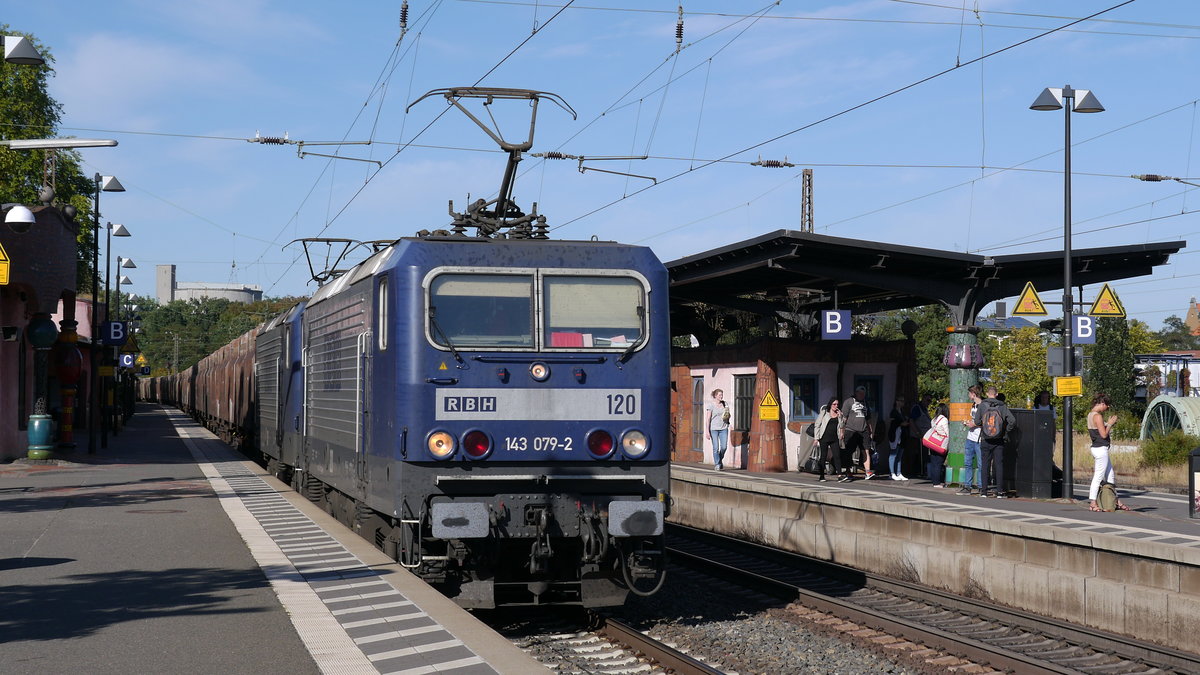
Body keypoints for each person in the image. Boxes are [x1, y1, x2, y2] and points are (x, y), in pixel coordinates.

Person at [1087, 392, 1130, 512]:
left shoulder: (1090, 415)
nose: (1108, 408)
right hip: (1101, 449)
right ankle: (1092, 502)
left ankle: (1115, 500)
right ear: (1101, 403)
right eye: (1107, 405)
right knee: (1098, 476)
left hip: (1098, 448)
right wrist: (1110, 424)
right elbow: (1103, 434)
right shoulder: (1097, 416)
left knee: (1110, 475)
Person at [974, 386, 1015, 498]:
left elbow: (976, 421)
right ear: (996, 394)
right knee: (999, 465)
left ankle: (984, 491)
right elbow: (1012, 421)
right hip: (999, 439)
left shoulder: (982, 405)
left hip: (985, 438)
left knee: (985, 465)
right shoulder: (1002, 406)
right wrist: (1005, 431)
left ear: (987, 394)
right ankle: (1000, 491)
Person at [840, 385, 875, 479]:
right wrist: (842, 431)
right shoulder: (848, 402)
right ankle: (848, 471)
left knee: (866, 451)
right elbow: (844, 418)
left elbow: (868, 418)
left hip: (863, 431)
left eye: (863, 394)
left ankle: (868, 472)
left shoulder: (865, 403)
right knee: (849, 451)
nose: (862, 395)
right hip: (850, 430)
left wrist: (870, 430)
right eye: (860, 393)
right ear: (856, 393)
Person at [810, 397, 848, 482]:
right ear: (830, 405)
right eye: (834, 404)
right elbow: (817, 425)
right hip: (824, 437)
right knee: (823, 456)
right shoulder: (824, 413)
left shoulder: (839, 414)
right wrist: (816, 438)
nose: (836, 406)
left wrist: (840, 416)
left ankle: (839, 475)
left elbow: (842, 425)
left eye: (837, 404)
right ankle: (822, 476)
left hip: (834, 438)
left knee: (837, 456)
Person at [956, 385, 984, 496]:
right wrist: (968, 422)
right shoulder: (973, 405)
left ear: (973, 394)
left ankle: (981, 486)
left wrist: (974, 424)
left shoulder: (983, 405)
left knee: (981, 464)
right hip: (970, 437)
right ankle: (967, 486)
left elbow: (985, 421)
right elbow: (973, 419)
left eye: (969, 393)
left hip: (979, 438)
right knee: (967, 463)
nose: (968, 395)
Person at [909, 394, 932, 478]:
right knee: (918, 454)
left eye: (930, 401)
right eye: (927, 400)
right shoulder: (917, 408)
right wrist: (917, 433)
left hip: (925, 436)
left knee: (924, 454)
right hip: (918, 436)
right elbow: (911, 421)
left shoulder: (925, 409)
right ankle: (917, 472)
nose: (928, 403)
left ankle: (922, 470)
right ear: (923, 399)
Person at [706, 389, 730, 471]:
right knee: (715, 448)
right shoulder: (711, 405)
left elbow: (727, 414)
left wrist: (728, 416)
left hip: (724, 428)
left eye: (722, 395)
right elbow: (708, 419)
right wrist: (707, 431)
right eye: (720, 395)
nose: (721, 396)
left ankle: (719, 460)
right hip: (714, 429)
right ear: (715, 396)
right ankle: (717, 464)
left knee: (724, 447)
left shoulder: (725, 403)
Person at [887, 397, 911, 480]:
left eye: (903, 401)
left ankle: (899, 472)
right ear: (896, 401)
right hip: (895, 434)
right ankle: (892, 473)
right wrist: (901, 423)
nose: (902, 403)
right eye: (901, 401)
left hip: (902, 435)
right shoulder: (893, 412)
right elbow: (892, 423)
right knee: (893, 453)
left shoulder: (903, 412)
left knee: (899, 455)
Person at [927, 403, 950, 487]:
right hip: (941, 444)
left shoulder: (933, 419)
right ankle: (937, 483)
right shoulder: (944, 419)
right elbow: (947, 433)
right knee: (939, 463)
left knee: (934, 463)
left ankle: (934, 482)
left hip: (933, 443)